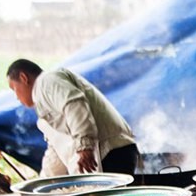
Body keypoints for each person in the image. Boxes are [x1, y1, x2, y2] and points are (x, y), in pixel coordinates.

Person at [7, 59, 140, 177]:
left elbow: (75, 105)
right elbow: (55, 152)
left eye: (14, 89)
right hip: (109, 155)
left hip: (112, 152)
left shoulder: (48, 80)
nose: (16, 97)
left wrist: (84, 146)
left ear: (24, 78)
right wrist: (43, 183)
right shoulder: (45, 106)